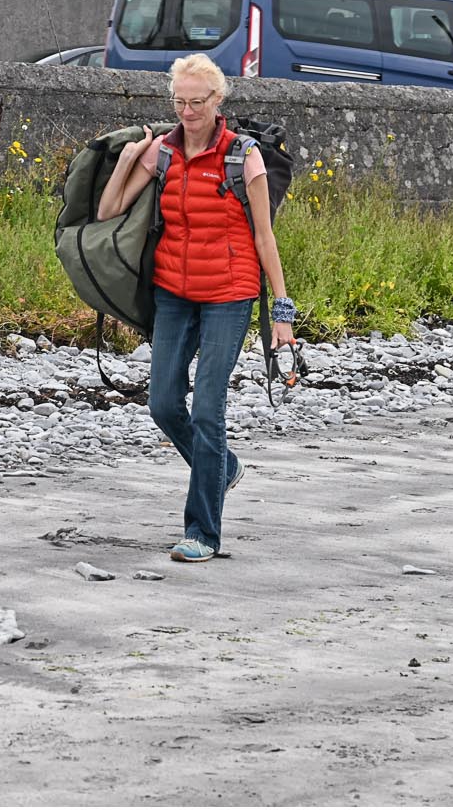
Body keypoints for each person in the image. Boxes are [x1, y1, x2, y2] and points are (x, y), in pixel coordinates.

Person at [95, 52, 293, 562]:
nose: (187, 111)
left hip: (230, 293)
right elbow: (108, 211)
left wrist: (283, 314)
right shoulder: (161, 153)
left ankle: (202, 532)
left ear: (218, 100)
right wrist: (125, 160)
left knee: (207, 409)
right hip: (174, 292)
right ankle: (221, 468)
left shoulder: (242, 156)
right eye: (179, 101)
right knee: (162, 404)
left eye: (196, 102)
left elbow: (265, 237)